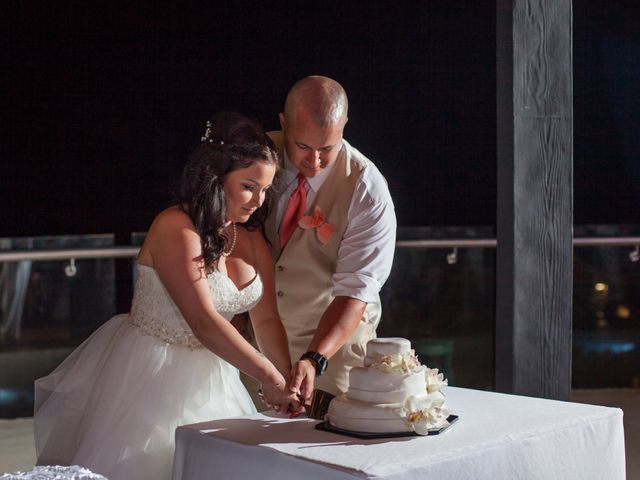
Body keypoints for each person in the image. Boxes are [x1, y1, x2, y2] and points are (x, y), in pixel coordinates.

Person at [33, 112, 300, 480]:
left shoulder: (251, 238)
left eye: (266, 189)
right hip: (150, 376)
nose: (258, 200)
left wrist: (286, 383)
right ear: (216, 177)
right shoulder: (175, 227)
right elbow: (204, 322)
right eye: (249, 186)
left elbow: (267, 320)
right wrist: (269, 378)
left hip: (214, 376)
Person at [264, 75, 397, 401]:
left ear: (344, 125)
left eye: (327, 148)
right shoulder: (257, 158)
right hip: (262, 344)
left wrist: (316, 357)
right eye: (302, 146)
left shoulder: (366, 187)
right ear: (283, 123)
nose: (315, 161)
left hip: (333, 351)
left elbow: (356, 290)